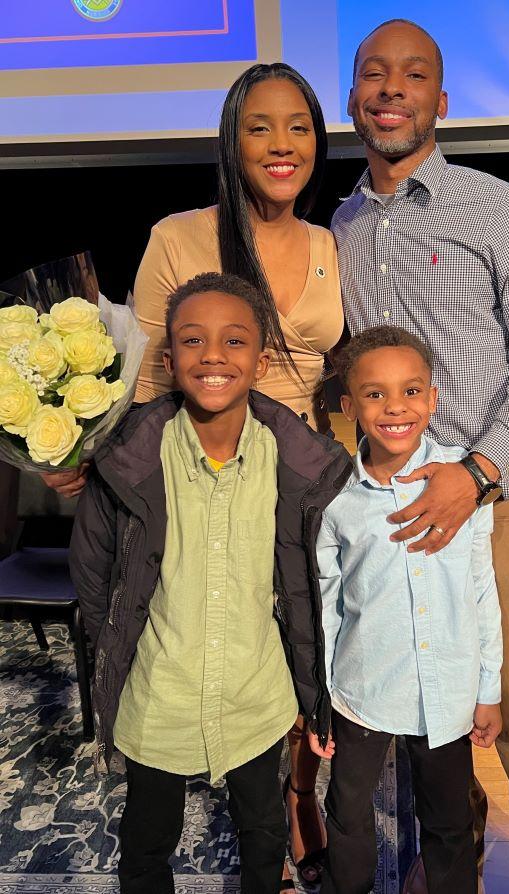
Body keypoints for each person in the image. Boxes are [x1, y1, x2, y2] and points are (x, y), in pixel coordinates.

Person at [46, 62, 344, 888]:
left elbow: (337, 372)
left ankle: (293, 797)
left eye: (299, 126)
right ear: (230, 139)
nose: (282, 144)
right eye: (259, 126)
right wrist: (99, 461)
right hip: (194, 461)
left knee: (292, 632)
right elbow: (144, 373)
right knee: (196, 612)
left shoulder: (329, 244)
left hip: (293, 475)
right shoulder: (180, 235)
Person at [331, 18, 509, 894]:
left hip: (490, 502)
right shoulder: (343, 226)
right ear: (354, 98)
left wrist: (475, 472)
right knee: (417, 698)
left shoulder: (502, 209)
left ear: (442, 101)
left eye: (412, 76)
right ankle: (458, 850)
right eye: (373, 74)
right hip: (393, 509)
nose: (390, 89)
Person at [69, 272, 352, 894]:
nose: (214, 356)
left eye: (234, 341)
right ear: (170, 360)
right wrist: (119, 644)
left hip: (256, 694)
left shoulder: (294, 463)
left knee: (264, 829)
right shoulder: (127, 463)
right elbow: (93, 575)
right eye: (194, 342)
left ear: (263, 357)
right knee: (146, 838)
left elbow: (308, 584)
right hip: (159, 695)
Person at [308, 326, 503, 894]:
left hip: (446, 693)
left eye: (412, 391)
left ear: (433, 397)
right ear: (348, 406)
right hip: (362, 691)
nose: (396, 407)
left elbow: (482, 588)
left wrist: (488, 686)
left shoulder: (465, 485)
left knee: (447, 819)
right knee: (347, 810)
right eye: (374, 394)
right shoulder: (335, 497)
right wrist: (321, 697)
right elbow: (326, 601)